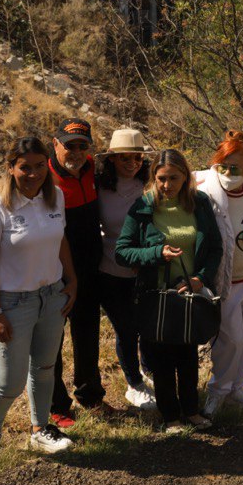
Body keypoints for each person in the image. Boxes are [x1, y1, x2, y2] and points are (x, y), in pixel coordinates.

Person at [0, 136, 78, 461]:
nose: (33, 174)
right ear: (11, 168)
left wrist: (70, 280)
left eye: (38, 166)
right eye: (24, 168)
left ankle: (40, 430)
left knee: (45, 369)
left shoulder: (55, 198)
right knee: (9, 383)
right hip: (11, 304)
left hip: (51, 298)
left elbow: (59, 242)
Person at [115, 149, 223, 433]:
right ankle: (170, 417)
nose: (167, 185)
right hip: (155, 296)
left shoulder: (199, 203)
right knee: (160, 359)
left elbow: (215, 247)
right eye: (161, 178)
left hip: (189, 296)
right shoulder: (143, 206)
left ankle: (191, 411)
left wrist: (201, 278)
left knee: (188, 355)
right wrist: (156, 253)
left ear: (186, 176)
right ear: (153, 178)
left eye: (174, 178)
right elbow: (122, 252)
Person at [196, 130, 243, 417]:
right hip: (225, 280)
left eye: (236, 166)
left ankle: (236, 386)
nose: (229, 172)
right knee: (231, 339)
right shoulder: (206, 191)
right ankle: (217, 390)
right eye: (223, 165)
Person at [48, 118, 111, 427]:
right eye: (69, 145)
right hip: (53, 274)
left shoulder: (92, 173)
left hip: (89, 269)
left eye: (82, 145)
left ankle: (90, 396)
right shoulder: (43, 177)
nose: (75, 151)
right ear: (55, 144)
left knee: (87, 336)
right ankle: (56, 406)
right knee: (52, 343)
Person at [95, 128, 155, 411]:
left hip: (147, 268)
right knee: (126, 329)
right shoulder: (100, 188)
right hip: (110, 270)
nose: (131, 163)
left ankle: (150, 371)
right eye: (124, 158)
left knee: (148, 325)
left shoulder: (151, 184)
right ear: (111, 160)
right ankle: (134, 384)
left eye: (137, 158)